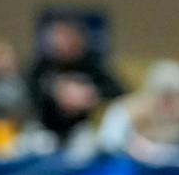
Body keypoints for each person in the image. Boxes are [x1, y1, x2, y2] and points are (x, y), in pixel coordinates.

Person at [27, 17, 124, 146]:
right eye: (59, 37)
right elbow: (28, 93)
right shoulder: (42, 67)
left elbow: (120, 91)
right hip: (46, 128)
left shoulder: (91, 66)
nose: (64, 43)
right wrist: (57, 94)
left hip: (83, 128)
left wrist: (91, 94)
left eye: (69, 37)